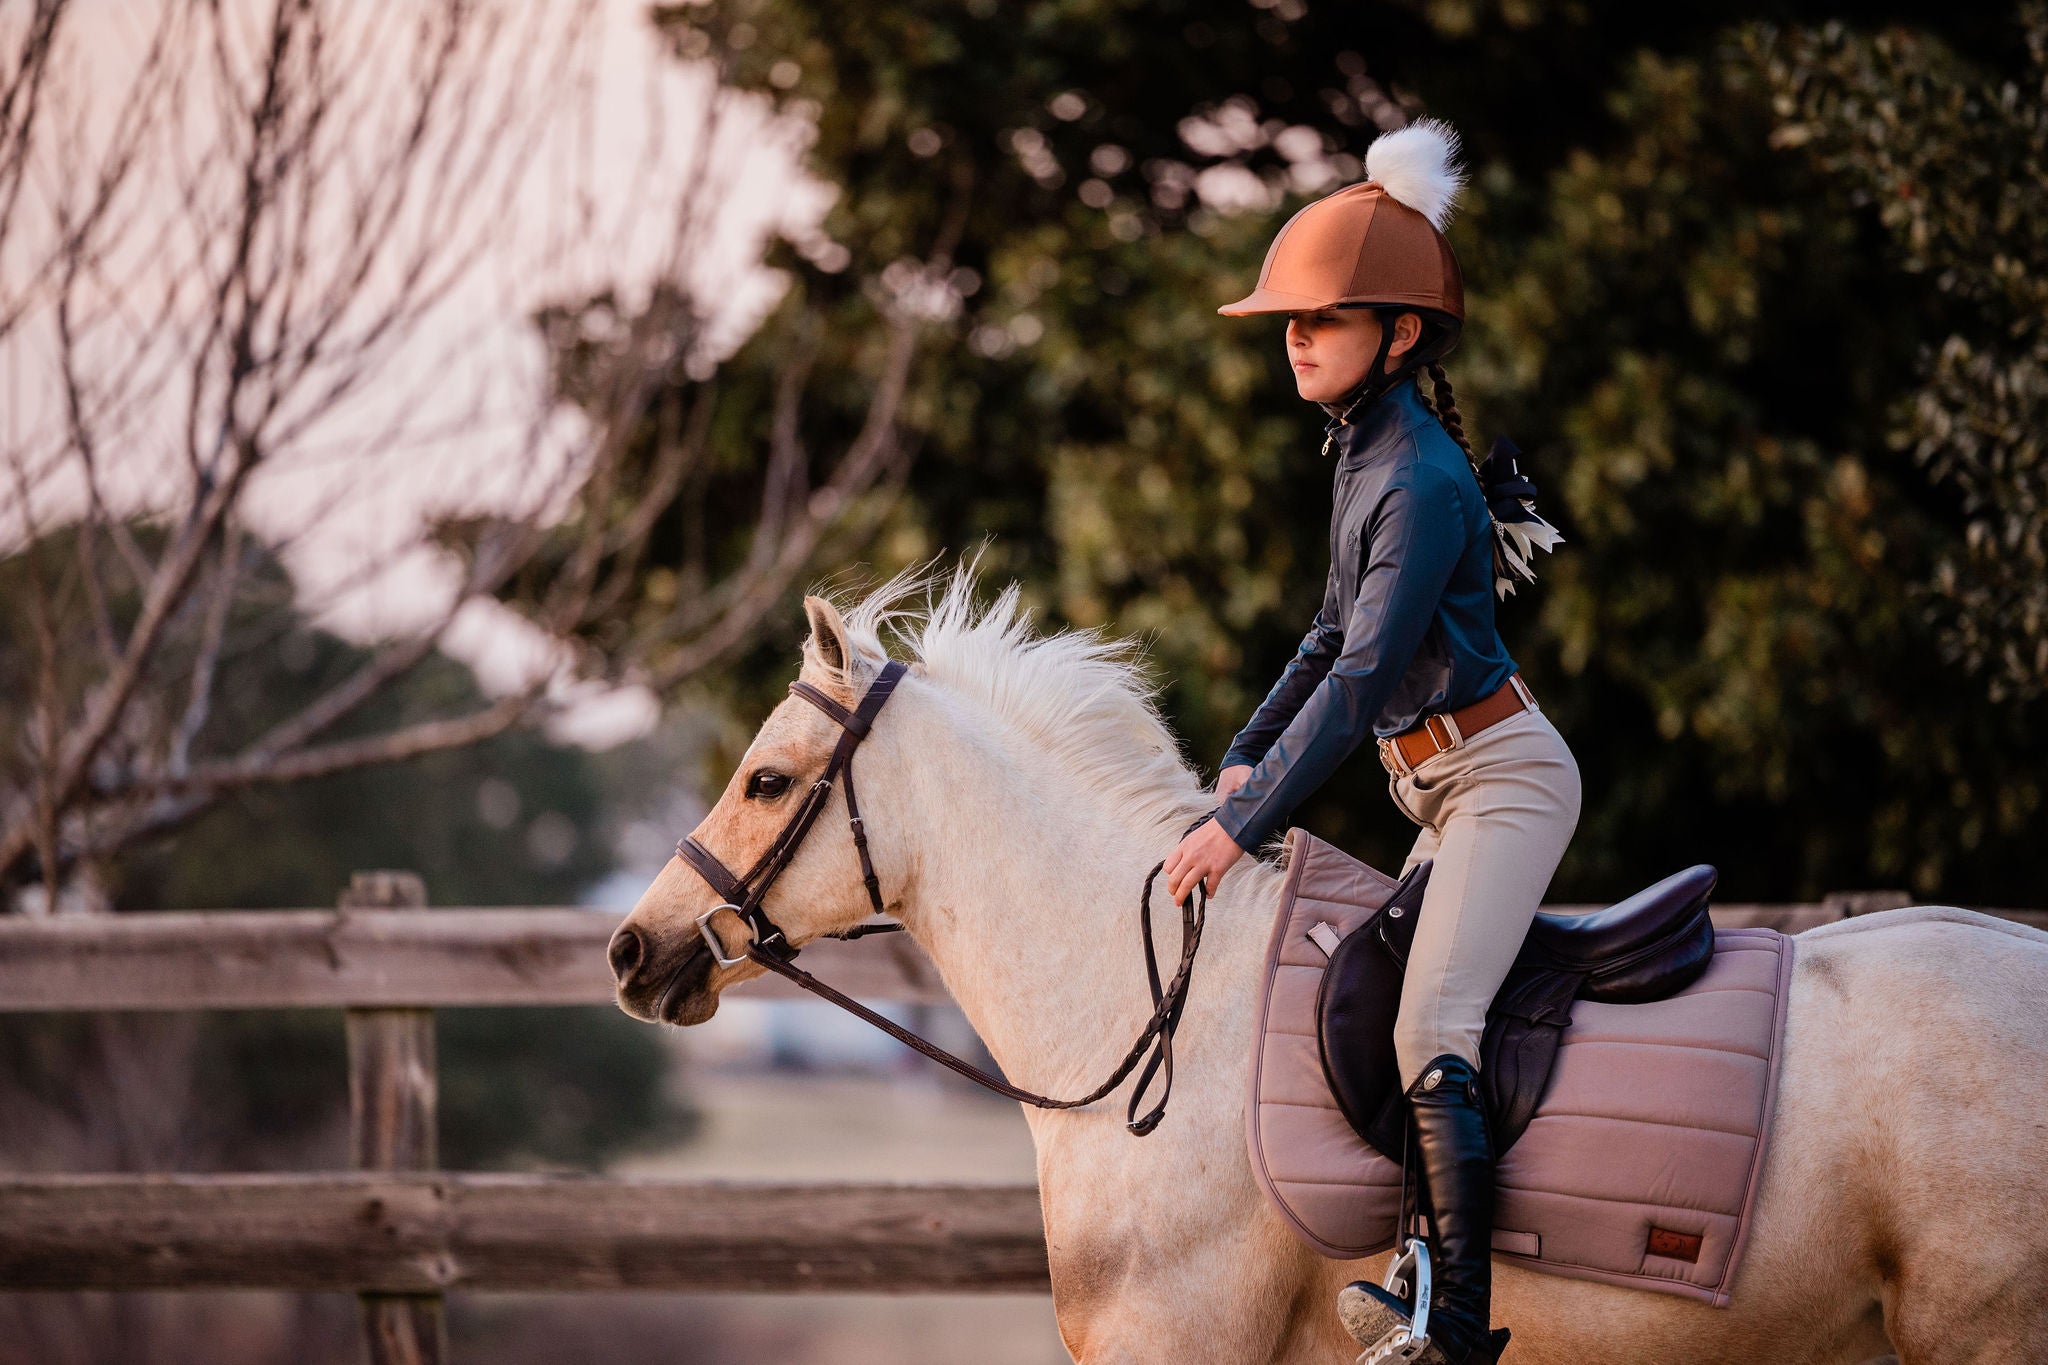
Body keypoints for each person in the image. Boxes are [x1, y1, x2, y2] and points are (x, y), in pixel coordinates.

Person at [1160, 119, 1577, 1365]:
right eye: (1287, 320)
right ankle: (1414, 1272)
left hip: (1500, 782)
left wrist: (1236, 830)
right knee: (1373, 1001)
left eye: (1320, 319)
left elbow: (1355, 684)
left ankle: (1453, 1331)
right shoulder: (1363, 453)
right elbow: (1327, 631)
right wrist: (1239, 752)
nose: (1292, 336)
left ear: (1397, 336)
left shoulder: (1419, 479)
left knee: (1426, 1024)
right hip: (1438, 794)